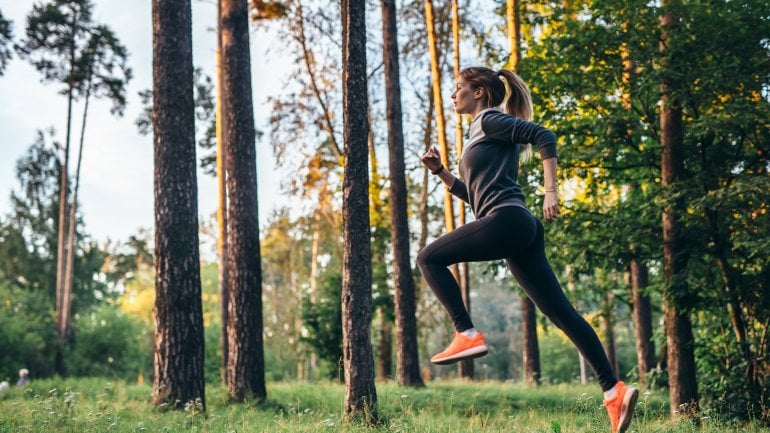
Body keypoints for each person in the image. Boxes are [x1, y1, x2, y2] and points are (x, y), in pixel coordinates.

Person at [418, 66, 638, 433]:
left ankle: (466, 334)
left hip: (509, 221)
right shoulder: (477, 135)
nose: (453, 95)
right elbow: (475, 198)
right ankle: (613, 390)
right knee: (562, 314)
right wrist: (441, 171)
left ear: (481, 93)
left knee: (428, 258)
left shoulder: (490, 121)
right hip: (518, 226)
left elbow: (544, 135)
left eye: (459, 88)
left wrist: (551, 192)